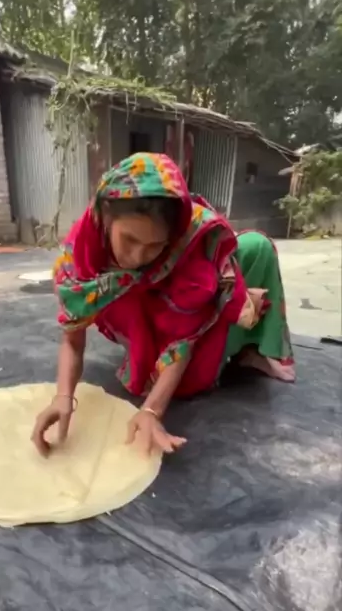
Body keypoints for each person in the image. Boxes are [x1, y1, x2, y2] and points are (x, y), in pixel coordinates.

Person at [31, 153, 295, 457]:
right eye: (129, 240)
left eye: (154, 246)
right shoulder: (80, 259)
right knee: (134, 302)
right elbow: (73, 341)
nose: (138, 257)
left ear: (172, 236)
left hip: (179, 320)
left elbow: (182, 342)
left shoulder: (186, 244)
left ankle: (249, 349)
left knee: (256, 247)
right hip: (139, 315)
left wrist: (151, 410)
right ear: (105, 214)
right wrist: (63, 397)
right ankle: (157, 349)